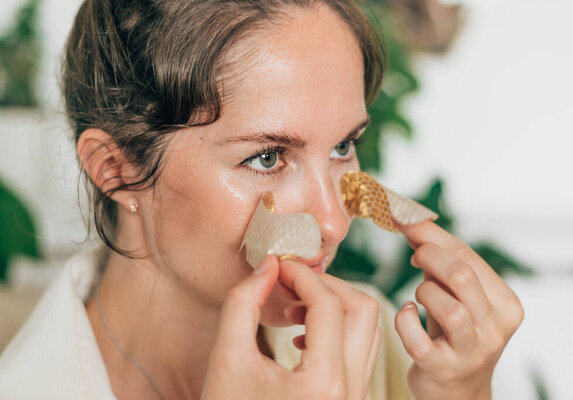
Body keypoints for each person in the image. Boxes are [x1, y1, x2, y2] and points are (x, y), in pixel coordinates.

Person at [0, 0, 524, 399]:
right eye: (268, 158)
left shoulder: (392, 350)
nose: (334, 222)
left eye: (344, 145)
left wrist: (463, 392)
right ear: (116, 170)